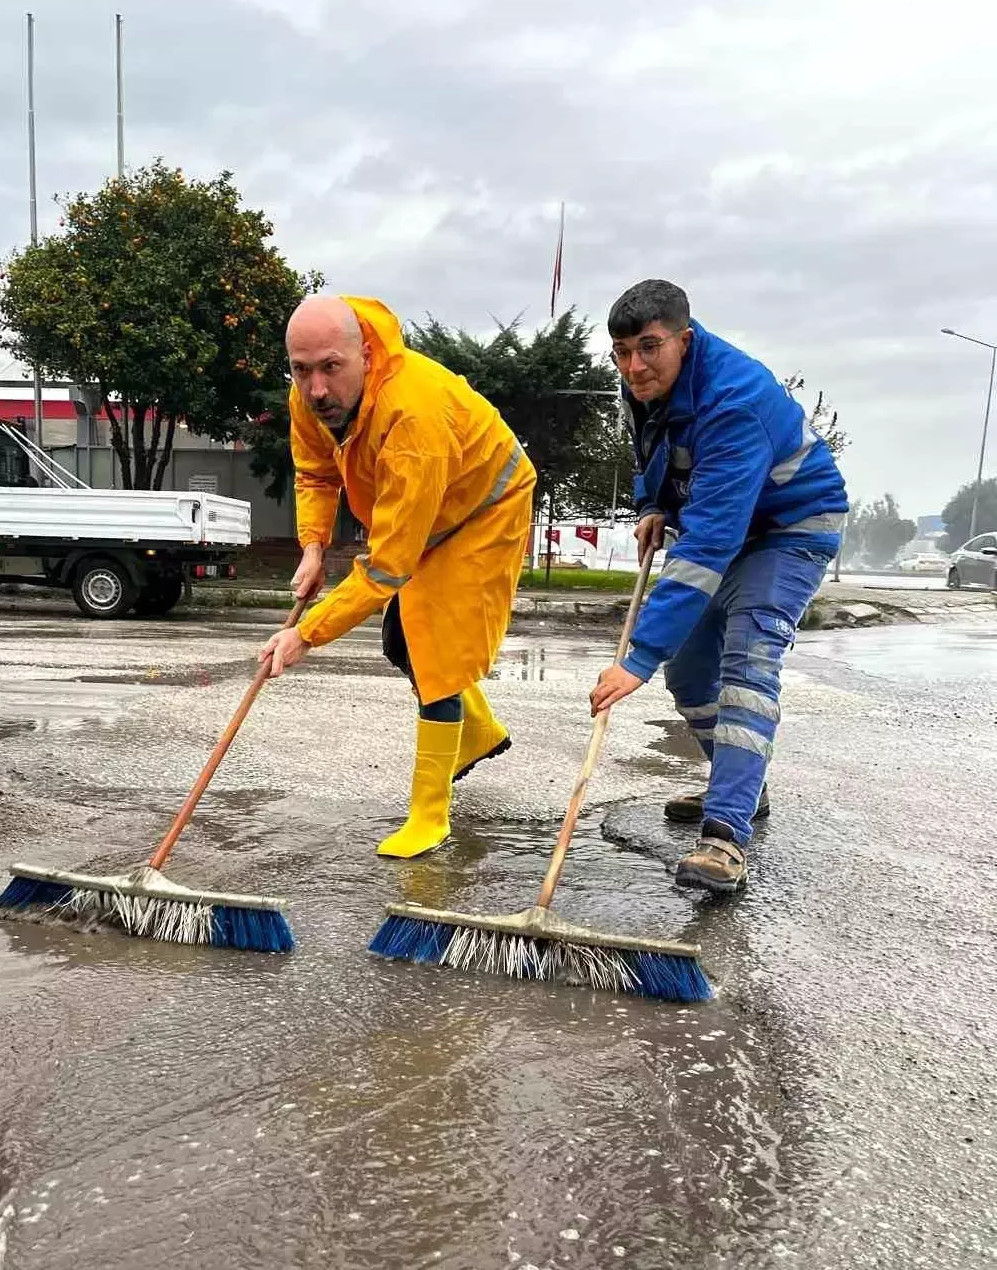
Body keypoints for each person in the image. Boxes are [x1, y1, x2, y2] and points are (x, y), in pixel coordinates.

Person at [588, 280, 848, 895]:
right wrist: (652, 503)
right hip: (727, 522)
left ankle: (726, 833)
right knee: (690, 672)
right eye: (621, 351)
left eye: (648, 348)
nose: (634, 366)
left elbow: (707, 545)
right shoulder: (642, 386)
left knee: (747, 663)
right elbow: (654, 453)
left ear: (684, 337)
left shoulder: (735, 400)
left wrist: (639, 656)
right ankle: (744, 784)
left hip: (789, 528)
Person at [261, 295, 536, 858]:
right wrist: (313, 546)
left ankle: (429, 816)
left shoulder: (412, 415)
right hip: (428, 512)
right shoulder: (311, 399)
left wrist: (305, 633)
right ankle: (478, 731)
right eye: (301, 369)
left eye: (330, 368)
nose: (316, 388)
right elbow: (314, 469)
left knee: (433, 648)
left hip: (484, 508)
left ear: (364, 354)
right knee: (399, 639)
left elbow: (386, 567)